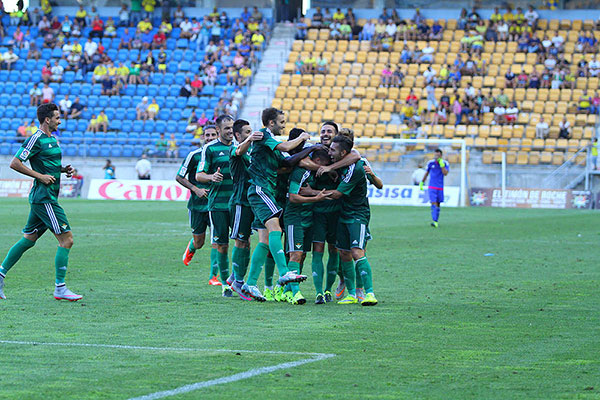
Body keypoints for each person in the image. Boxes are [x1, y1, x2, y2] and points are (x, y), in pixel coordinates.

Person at [0, 103, 82, 301]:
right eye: (57, 117)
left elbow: (47, 165)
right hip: (44, 198)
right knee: (66, 240)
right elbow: (15, 163)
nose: (60, 121)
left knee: (29, 239)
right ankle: (60, 288)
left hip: (46, 196)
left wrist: (63, 170)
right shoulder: (35, 139)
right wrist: (39, 176)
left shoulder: (52, 140)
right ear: (47, 119)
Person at [240, 108, 318, 302]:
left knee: (265, 240)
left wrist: (308, 149)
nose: (284, 125)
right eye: (282, 122)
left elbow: (288, 160)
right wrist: (302, 139)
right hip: (260, 189)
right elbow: (285, 149)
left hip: (264, 191)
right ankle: (284, 272)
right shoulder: (264, 135)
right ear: (271, 123)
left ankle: (249, 283)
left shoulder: (270, 143)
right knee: (275, 226)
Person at [318, 135, 378, 306]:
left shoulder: (355, 168)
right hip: (343, 213)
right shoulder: (341, 162)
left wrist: (313, 194)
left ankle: (369, 293)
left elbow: (338, 194)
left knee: (357, 251)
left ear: (343, 152)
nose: (329, 152)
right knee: (343, 252)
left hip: (357, 214)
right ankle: (351, 293)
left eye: (333, 150)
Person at [195, 115, 236, 297]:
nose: (230, 131)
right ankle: (225, 284)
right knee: (222, 245)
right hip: (218, 204)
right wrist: (211, 177)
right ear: (219, 130)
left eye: (232, 128)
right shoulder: (209, 149)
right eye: (227, 128)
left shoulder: (240, 147)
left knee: (242, 242)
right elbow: (199, 175)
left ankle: (238, 280)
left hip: (237, 203)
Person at [224, 119, 263, 299]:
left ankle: (234, 277)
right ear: (238, 135)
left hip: (250, 202)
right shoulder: (235, 150)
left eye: (251, 131)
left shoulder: (252, 153)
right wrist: (249, 140)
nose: (250, 135)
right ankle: (239, 282)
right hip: (240, 202)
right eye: (246, 132)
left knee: (246, 241)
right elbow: (239, 150)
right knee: (241, 241)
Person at [178, 126, 221, 285]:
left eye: (213, 135)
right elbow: (179, 176)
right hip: (197, 205)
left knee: (217, 240)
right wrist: (195, 189)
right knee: (199, 242)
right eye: (207, 135)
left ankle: (213, 276)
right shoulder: (193, 155)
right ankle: (191, 247)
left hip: (216, 204)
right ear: (203, 136)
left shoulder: (221, 153)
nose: (210, 137)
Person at [420, 149, 448, 228]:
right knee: (433, 202)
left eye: (438, 156)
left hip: (440, 187)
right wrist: (422, 182)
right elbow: (426, 173)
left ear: (441, 156)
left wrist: (442, 166)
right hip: (432, 186)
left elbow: (445, 173)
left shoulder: (445, 163)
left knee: (438, 204)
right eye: (435, 155)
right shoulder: (430, 163)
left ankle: (436, 220)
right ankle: (434, 221)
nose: (436, 157)